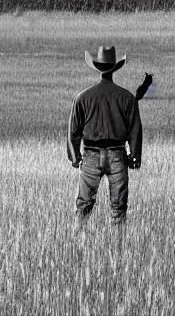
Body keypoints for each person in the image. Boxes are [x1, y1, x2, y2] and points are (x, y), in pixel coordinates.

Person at [68, 46, 142, 226]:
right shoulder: (127, 97)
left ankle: (78, 244)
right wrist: (134, 156)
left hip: (91, 154)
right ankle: (118, 250)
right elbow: (135, 130)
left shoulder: (82, 97)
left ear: (97, 68)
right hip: (118, 155)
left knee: (83, 208)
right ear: (115, 68)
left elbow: (73, 131)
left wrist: (75, 156)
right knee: (118, 209)